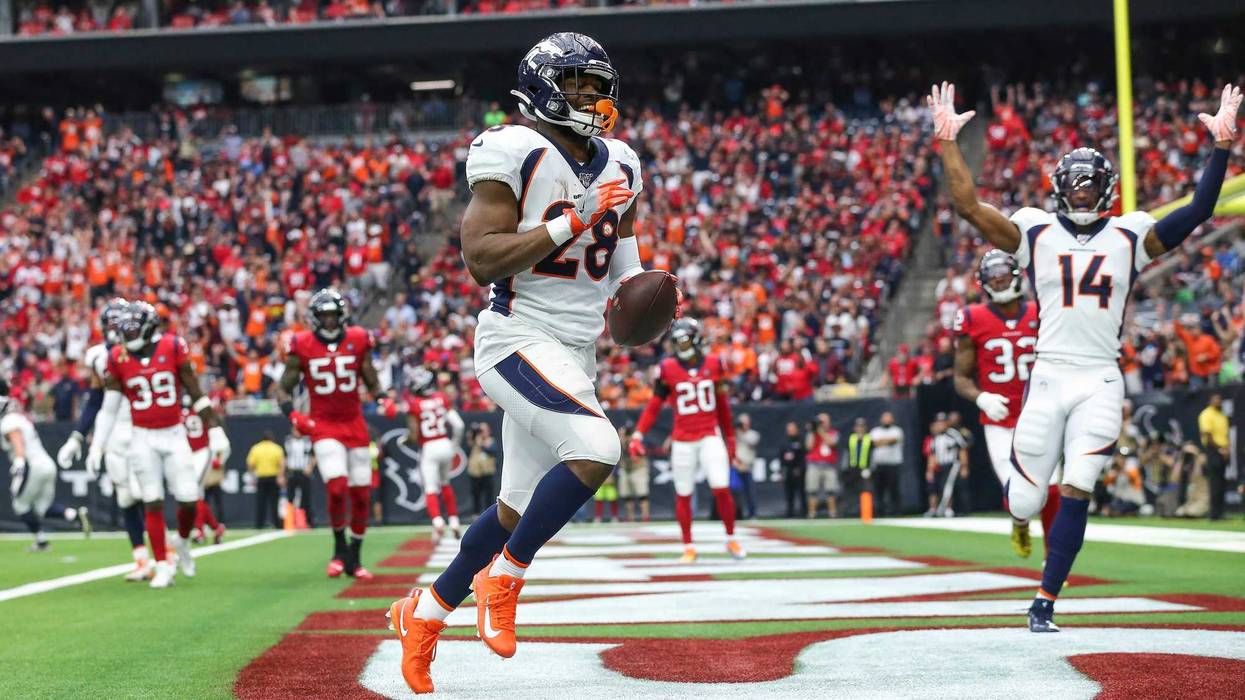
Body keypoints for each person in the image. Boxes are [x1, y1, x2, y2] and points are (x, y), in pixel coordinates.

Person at [388, 32, 649, 695]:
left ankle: (421, 614)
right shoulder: (512, 148)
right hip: (516, 337)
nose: (594, 98)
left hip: (576, 350)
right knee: (595, 447)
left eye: (598, 86)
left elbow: (621, 251)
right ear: (541, 88)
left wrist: (643, 288)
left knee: (512, 506)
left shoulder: (621, 159)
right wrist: (571, 220)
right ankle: (506, 575)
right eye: (578, 86)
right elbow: (481, 259)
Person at [931, 80, 1241, 632]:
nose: (1079, 194)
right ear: (1058, 190)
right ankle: (1022, 518)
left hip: (1100, 378)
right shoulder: (1034, 230)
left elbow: (1198, 210)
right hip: (1048, 376)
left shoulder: (1130, 234)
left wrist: (1220, 146)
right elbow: (967, 205)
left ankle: (1045, 600)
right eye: (1072, 186)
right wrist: (949, 141)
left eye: (1087, 186)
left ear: (1105, 189)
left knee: (1079, 485)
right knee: (1025, 502)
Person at [86, 301, 231, 588]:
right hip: (142, 437)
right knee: (151, 499)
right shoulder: (118, 357)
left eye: (133, 329)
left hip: (174, 433)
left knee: (189, 499)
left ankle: (183, 541)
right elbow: (109, 408)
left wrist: (214, 428)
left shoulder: (172, 347)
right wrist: (97, 445)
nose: (127, 335)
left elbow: (195, 391)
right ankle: (163, 565)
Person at [953, 250, 1059, 557]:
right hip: (1000, 420)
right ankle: (1020, 521)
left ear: (1016, 277)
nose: (999, 282)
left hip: (1041, 413)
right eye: (992, 278)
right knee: (1018, 494)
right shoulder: (973, 317)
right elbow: (960, 377)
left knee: (1052, 487)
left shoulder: (1041, 312)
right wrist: (981, 397)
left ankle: (1053, 560)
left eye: (1003, 276)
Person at [278, 288, 388, 580]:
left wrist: (382, 397)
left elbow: (370, 376)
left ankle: (355, 557)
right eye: (323, 317)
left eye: (333, 316)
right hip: (324, 425)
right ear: (315, 319)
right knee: (337, 486)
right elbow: (282, 389)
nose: (328, 322)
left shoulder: (358, 339)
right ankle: (339, 550)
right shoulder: (301, 344)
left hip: (354, 423)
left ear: (342, 317)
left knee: (362, 493)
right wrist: (293, 415)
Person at [631, 318, 745, 562]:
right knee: (683, 493)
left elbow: (723, 406)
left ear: (696, 339)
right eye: (678, 343)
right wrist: (638, 434)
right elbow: (654, 405)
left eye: (685, 342)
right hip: (682, 439)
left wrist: (731, 437)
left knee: (721, 487)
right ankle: (688, 546)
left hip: (709, 434)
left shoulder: (715, 364)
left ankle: (731, 538)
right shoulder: (668, 368)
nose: (682, 348)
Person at [57, 299, 148, 579]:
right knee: (125, 496)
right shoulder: (98, 356)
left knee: (144, 491)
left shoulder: (146, 349)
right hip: (114, 431)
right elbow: (96, 401)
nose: (116, 329)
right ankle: (143, 559)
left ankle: (166, 551)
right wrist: (78, 437)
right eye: (111, 323)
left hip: (144, 425)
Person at [3, 379, 91, 552]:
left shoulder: (9, 422)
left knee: (20, 505)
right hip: (46, 464)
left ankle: (41, 541)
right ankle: (74, 515)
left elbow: (18, 445)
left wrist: (19, 465)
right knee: (42, 508)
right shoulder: (20, 419)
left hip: (31, 466)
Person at [403, 366, 466, 541]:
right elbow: (459, 425)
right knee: (445, 483)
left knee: (431, 488)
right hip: (444, 443)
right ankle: (454, 520)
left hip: (429, 447)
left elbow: (414, 434)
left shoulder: (414, 404)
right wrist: (453, 446)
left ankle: (437, 522)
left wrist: (405, 440)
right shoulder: (441, 398)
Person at [183, 397, 225, 545]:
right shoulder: (204, 414)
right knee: (196, 495)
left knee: (194, 494)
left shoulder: (183, 414)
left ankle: (199, 529)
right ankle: (216, 527)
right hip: (195, 454)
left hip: (200, 453)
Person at [926, 412, 969, 517]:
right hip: (940, 465)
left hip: (953, 465)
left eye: (942, 422)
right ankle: (937, 509)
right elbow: (932, 454)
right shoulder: (936, 437)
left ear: (947, 423)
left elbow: (962, 449)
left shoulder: (953, 433)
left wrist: (965, 467)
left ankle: (948, 509)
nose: (940, 425)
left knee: (948, 486)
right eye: (938, 423)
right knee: (939, 487)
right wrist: (930, 470)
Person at [1198, 393, 1230, 520]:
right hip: (1213, 450)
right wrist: (1220, 449)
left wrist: (1227, 449)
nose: (1218, 402)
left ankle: (1221, 512)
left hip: (1224, 451)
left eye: (1220, 400)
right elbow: (1207, 435)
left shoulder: (1222, 415)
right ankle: (1213, 514)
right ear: (1210, 401)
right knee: (1215, 482)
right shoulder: (1206, 414)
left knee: (1222, 482)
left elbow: (1226, 435)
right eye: (1216, 399)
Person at [247, 431, 285, 529]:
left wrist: (253, 476)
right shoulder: (276, 448)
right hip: (273, 478)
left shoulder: (256, 448)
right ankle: (277, 524)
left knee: (261, 503)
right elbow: (281, 464)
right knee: (274, 503)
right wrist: (280, 476)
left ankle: (259, 524)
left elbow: (250, 464)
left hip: (261, 478)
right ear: (271, 439)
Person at [869, 412, 904, 516]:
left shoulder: (897, 430)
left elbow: (893, 440)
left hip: (893, 464)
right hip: (879, 464)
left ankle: (896, 511)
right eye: (885, 418)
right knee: (879, 489)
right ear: (881, 420)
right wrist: (884, 441)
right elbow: (873, 443)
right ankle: (880, 511)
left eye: (889, 418)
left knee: (894, 489)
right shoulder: (875, 431)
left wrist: (881, 441)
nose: (887, 420)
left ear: (892, 420)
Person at [805, 413, 840, 518]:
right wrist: (813, 431)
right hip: (814, 464)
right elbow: (809, 447)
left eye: (824, 421)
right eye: (820, 421)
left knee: (831, 491)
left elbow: (832, 443)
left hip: (829, 465)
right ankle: (812, 513)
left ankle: (832, 513)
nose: (822, 424)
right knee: (812, 490)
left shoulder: (833, 432)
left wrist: (821, 431)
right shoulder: (812, 434)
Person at [615, 424, 649, 522]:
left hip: (638, 469)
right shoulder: (619, 443)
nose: (620, 436)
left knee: (642, 494)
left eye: (622, 434)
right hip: (625, 470)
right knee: (627, 495)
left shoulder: (635, 442)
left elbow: (642, 453)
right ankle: (630, 517)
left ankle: (645, 517)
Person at [284, 424, 316, 528]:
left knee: (306, 498)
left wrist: (310, 467)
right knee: (290, 498)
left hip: (303, 472)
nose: (296, 432)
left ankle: (308, 522)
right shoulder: (288, 441)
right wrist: (283, 472)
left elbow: (314, 455)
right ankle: (290, 522)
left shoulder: (307, 441)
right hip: (292, 472)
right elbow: (284, 457)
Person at [465, 423, 498, 517]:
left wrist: (481, 445)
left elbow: (493, 451)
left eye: (483, 430)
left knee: (489, 495)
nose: (481, 433)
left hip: (487, 472)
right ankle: (476, 514)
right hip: (475, 473)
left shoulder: (490, 441)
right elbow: (467, 451)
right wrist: (470, 437)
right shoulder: (474, 442)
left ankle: (489, 515)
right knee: (476, 494)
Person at [733, 414, 760, 519]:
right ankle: (737, 514)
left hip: (747, 466)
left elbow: (751, 442)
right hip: (736, 466)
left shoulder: (753, 434)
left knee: (750, 492)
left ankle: (752, 514)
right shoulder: (734, 434)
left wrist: (740, 432)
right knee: (735, 492)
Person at [844, 418, 872, 515]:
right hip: (852, 468)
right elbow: (846, 453)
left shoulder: (869, 438)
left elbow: (872, 454)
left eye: (862, 426)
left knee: (866, 490)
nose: (860, 428)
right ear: (854, 428)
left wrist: (870, 468)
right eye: (858, 426)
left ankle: (866, 513)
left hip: (865, 468)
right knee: (851, 491)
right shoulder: (851, 438)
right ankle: (849, 512)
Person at [779, 420, 806, 517]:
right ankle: (790, 513)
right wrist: (781, 473)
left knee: (802, 493)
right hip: (788, 471)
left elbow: (803, 456)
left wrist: (800, 468)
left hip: (799, 471)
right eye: (789, 429)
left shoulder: (801, 440)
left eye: (792, 428)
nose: (790, 430)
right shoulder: (785, 442)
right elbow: (781, 459)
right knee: (789, 494)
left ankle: (804, 512)